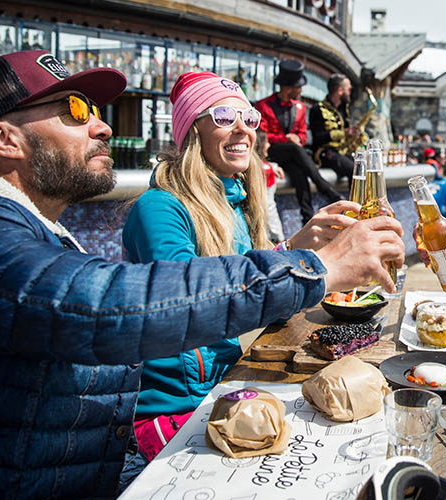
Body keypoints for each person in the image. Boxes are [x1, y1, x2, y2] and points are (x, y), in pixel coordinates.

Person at [0, 50, 404, 498]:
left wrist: (294, 250)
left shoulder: (30, 230)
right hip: (163, 427)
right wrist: (317, 267)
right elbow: (117, 304)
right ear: (3, 137)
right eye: (75, 111)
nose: (103, 126)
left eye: (93, 111)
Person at [122, 71, 367, 464]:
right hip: (172, 413)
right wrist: (312, 266)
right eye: (222, 117)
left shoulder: (232, 201)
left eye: (249, 118)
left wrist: (293, 246)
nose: (242, 130)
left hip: (224, 388)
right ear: (192, 131)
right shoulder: (160, 208)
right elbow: (192, 305)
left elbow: (243, 279)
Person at [255, 59, 341, 223]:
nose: (301, 90)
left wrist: (297, 139)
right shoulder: (263, 106)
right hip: (272, 151)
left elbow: (302, 135)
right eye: (299, 87)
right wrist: (286, 138)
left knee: (299, 174)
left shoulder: (300, 107)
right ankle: (324, 187)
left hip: (293, 156)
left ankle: (307, 218)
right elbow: (261, 136)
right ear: (288, 87)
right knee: (295, 150)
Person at [309, 73, 360, 188]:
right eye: (349, 89)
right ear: (340, 91)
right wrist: (344, 133)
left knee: (363, 166)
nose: (350, 92)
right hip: (324, 153)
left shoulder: (344, 109)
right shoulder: (317, 109)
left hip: (341, 151)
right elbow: (318, 138)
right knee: (354, 170)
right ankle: (354, 204)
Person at [256, 131, 286, 242]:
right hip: (266, 229)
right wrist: (278, 234)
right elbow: (268, 205)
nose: (269, 145)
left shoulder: (265, 167)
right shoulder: (265, 170)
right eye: (266, 142)